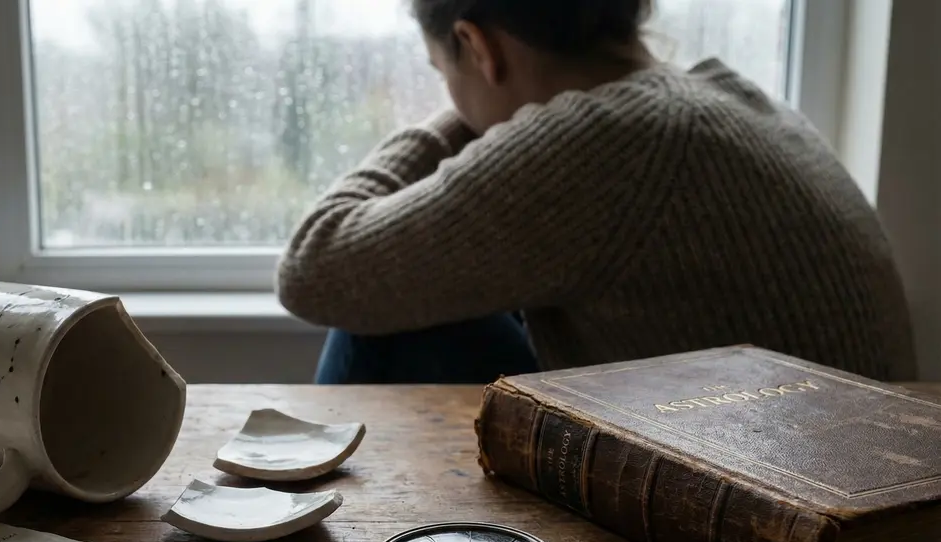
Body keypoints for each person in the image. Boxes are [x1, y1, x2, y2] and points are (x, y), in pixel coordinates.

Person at [275, 0, 917, 385]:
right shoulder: (726, 97)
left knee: (378, 323)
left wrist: (454, 122)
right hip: (867, 514)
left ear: (479, 45)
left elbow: (316, 266)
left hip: (780, 538)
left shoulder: (605, 140)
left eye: (444, 70)